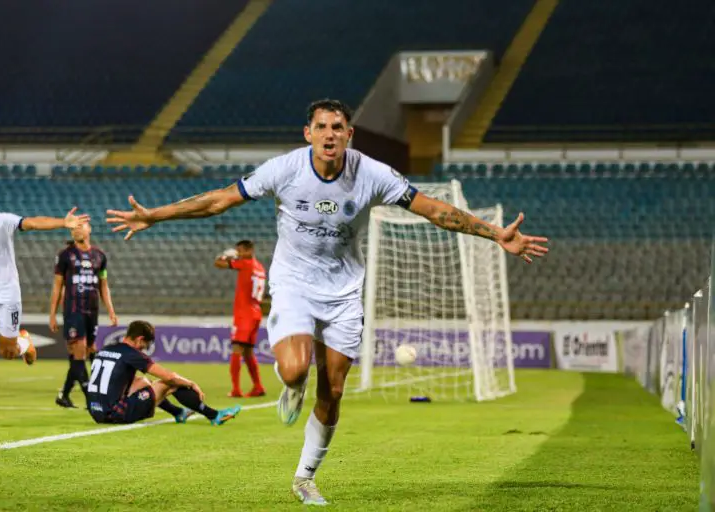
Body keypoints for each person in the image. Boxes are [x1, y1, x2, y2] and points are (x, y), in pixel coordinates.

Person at [106, 99, 549, 505]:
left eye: (338, 126)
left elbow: (434, 210)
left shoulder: (372, 173)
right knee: (297, 369)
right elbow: (220, 200)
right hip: (294, 285)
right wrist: (155, 215)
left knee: (333, 390)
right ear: (308, 133)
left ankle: (304, 476)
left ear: (349, 134)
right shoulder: (284, 169)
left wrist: (496, 235)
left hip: (343, 294)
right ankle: (292, 385)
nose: (330, 134)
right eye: (322, 127)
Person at [0, 181, 90, 421]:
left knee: (8, 352)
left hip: (7, 294)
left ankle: (24, 344)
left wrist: (62, 223)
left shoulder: (3, 220)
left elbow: (32, 222)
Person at [87, 320, 241, 426]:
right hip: (115, 414)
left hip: (95, 412)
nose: (144, 349)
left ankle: (178, 412)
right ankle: (214, 415)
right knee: (170, 383)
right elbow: (169, 377)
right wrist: (191, 383)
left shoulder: (107, 348)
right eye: (145, 345)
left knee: (142, 382)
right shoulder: (132, 354)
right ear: (140, 339)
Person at [50, 222, 118, 408]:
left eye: (80, 227)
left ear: (90, 229)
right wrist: (52, 314)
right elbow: (57, 286)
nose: (76, 230)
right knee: (79, 351)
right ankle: (92, 398)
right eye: (73, 228)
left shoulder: (100, 256)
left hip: (92, 310)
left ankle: (64, 394)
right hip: (74, 310)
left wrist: (111, 310)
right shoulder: (65, 256)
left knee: (87, 351)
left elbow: (103, 286)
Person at [214, 240, 267, 398]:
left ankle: (236, 389)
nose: (238, 254)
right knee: (248, 353)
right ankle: (258, 386)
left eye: (240, 251)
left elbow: (218, 263)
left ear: (249, 250)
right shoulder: (260, 268)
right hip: (256, 312)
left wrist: (226, 255)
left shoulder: (246, 264)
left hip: (244, 314)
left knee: (237, 350)